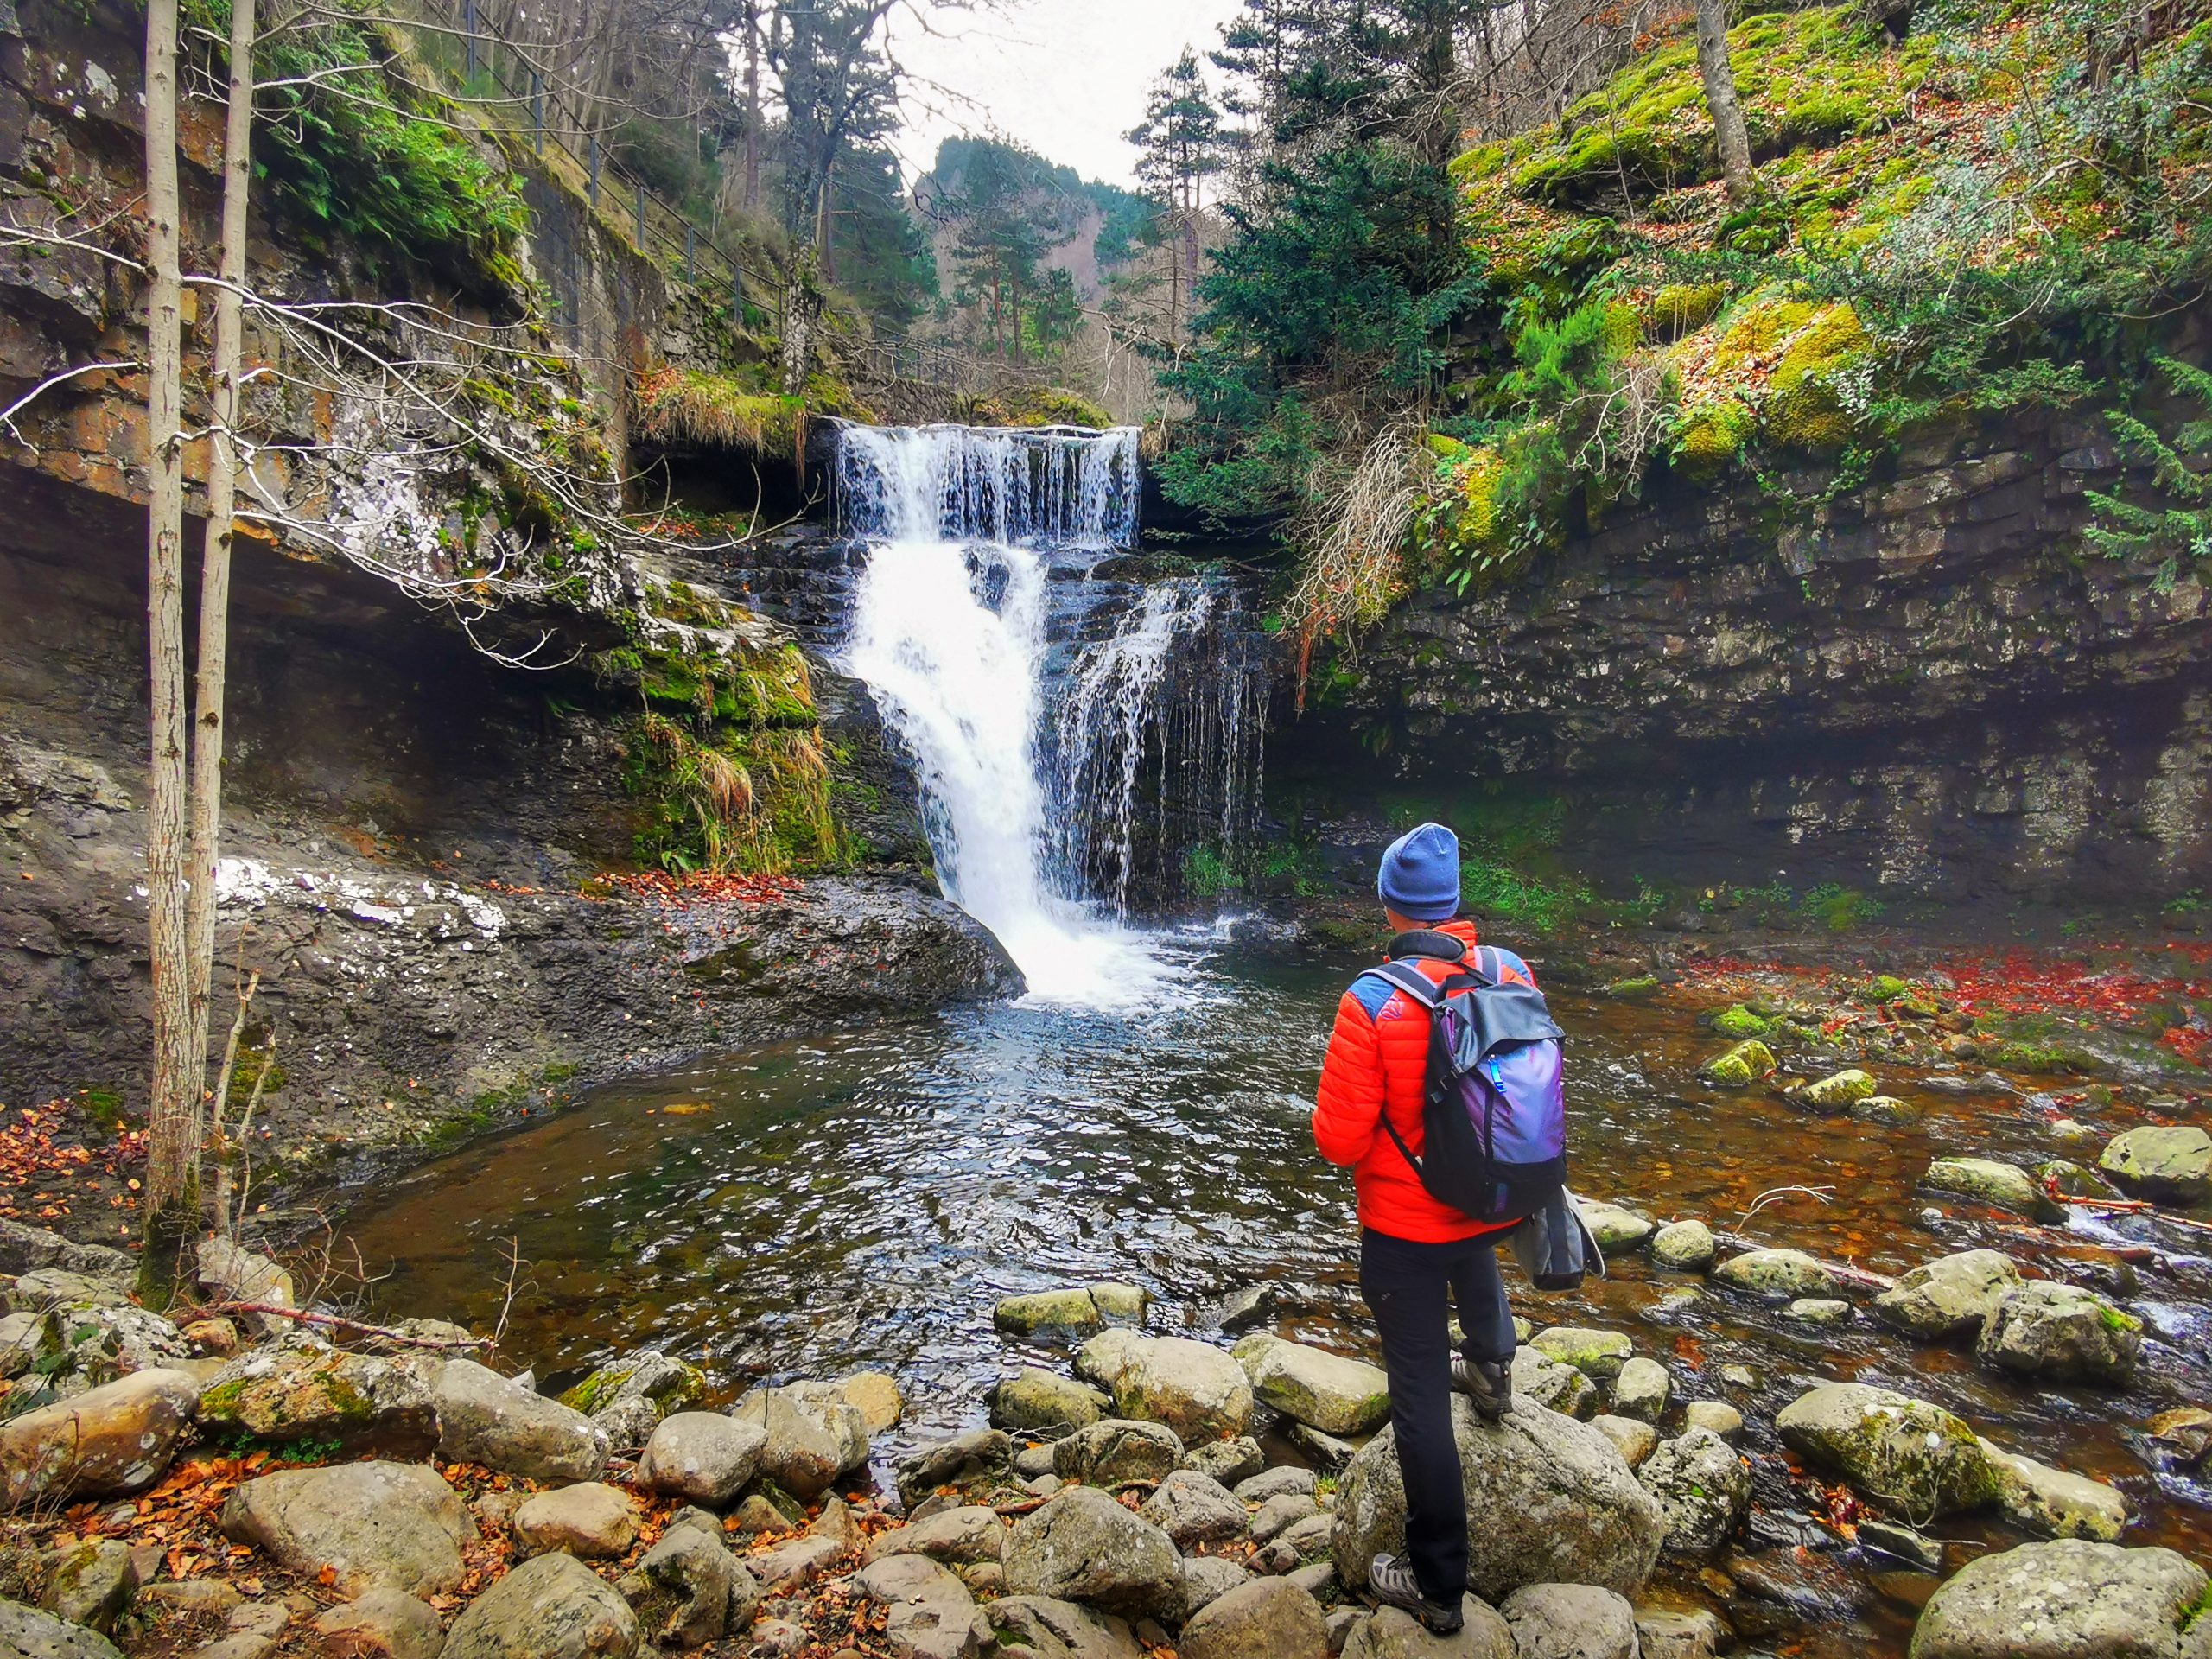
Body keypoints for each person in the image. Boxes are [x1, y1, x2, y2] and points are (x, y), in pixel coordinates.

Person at [1312, 820, 1538, 1636]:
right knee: (1471, 1250)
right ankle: (1493, 1371)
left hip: (1403, 1226)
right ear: (1451, 903)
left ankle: (1437, 1584)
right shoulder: (1511, 970)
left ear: (1388, 907)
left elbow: (1338, 1140)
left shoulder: (1371, 1000)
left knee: (1416, 1402)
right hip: (1489, 1198)